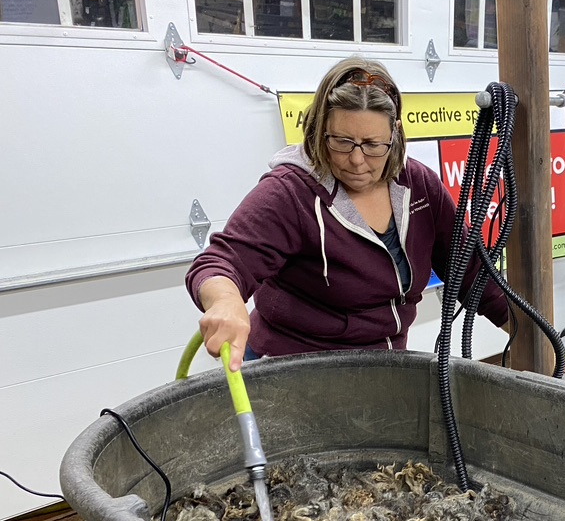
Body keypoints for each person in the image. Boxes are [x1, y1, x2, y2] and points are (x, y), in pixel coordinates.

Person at [185, 56, 510, 371]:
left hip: (383, 368)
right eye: (342, 142)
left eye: (372, 144)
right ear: (320, 128)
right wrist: (226, 301)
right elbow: (221, 263)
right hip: (293, 371)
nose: (357, 160)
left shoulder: (419, 187)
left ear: (395, 133)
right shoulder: (290, 193)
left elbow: (471, 272)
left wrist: (535, 340)